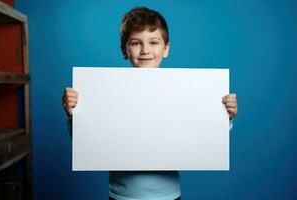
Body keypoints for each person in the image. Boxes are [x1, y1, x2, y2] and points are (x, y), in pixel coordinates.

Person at [62, 7, 238, 200]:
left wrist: (223, 117)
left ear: (166, 49)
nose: (145, 50)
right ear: (124, 50)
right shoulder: (108, 91)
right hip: (121, 196)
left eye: (154, 42)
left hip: (169, 196)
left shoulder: (183, 91)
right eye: (136, 43)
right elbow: (88, 142)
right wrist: (74, 114)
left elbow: (201, 136)